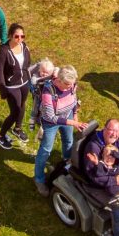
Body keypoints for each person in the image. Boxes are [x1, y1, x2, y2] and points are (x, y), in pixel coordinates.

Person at [34, 65, 85, 195]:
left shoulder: (71, 85)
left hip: (67, 116)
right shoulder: (48, 91)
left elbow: (73, 100)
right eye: (67, 84)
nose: (70, 87)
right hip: (51, 123)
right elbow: (50, 116)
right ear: (59, 80)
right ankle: (39, 179)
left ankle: (66, 165)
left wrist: (75, 116)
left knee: (68, 141)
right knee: (46, 149)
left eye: (72, 84)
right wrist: (72, 122)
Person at [0, 24, 31, 149]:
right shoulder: (4, 51)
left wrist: (28, 79)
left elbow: (27, 64)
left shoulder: (24, 47)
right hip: (11, 86)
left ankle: (17, 129)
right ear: (10, 36)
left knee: (22, 105)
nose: (20, 39)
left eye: (22, 36)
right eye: (16, 36)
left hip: (24, 84)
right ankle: (0, 136)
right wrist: (3, 89)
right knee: (15, 112)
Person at [27, 57, 56, 133]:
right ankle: (32, 122)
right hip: (38, 97)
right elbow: (33, 81)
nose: (44, 74)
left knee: (45, 110)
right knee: (35, 109)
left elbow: (58, 70)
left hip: (48, 99)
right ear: (39, 70)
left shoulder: (52, 76)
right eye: (43, 71)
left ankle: (42, 124)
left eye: (47, 73)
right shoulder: (36, 77)